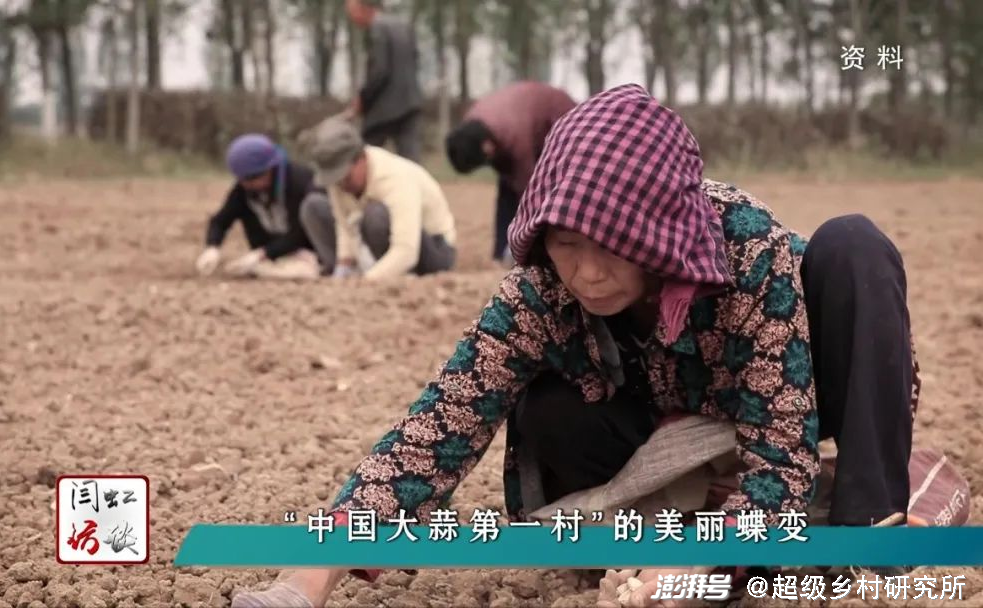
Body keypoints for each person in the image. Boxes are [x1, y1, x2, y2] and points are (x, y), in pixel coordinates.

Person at [232, 85, 922, 608]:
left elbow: (779, 436)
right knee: (546, 405)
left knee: (854, 245)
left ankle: (865, 532)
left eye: (612, 251)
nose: (586, 274)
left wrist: (709, 557)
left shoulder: (746, 249)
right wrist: (308, 568)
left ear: (657, 236)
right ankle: (652, 535)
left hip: (787, 402)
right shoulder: (540, 287)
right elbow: (441, 422)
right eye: (567, 246)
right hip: (659, 427)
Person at [298, 117, 457, 280]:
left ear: (360, 158)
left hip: (432, 250)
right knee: (313, 207)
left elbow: (407, 250)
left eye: (346, 178)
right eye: (335, 180)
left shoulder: (394, 177)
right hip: (371, 244)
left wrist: (366, 281)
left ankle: (393, 275)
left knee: (375, 214)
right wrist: (342, 267)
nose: (341, 186)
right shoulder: (339, 183)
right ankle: (365, 271)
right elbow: (343, 225)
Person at [446, 81, 577, 264]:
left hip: (559, 120)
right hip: (527, 121)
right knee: (506, 187)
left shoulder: (515, 135)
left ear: (487, 148)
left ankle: (538, 252)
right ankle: (501, 252)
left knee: (542, 192)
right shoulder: (476, 126)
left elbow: (530, 193)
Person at [196, 134, 326, 279]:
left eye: (252, 178)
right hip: (274, 253)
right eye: (242, 179)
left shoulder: (300, 182)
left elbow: (301, 232)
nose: (247, 184)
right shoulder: (244, 191)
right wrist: (212, 247)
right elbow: (220, 221)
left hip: (307, 249)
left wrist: (263, 254)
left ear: (270, 169)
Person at [345, 0, 423, 163]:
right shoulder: (404, 25)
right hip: (411, 102)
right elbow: (415, 59)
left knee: (365, 156)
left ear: (363, 9)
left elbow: (380, 71)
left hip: (385, 109)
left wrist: (362, 99)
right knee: (411, 162)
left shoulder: (377, 29)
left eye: (351, 12)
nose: (351, 18)